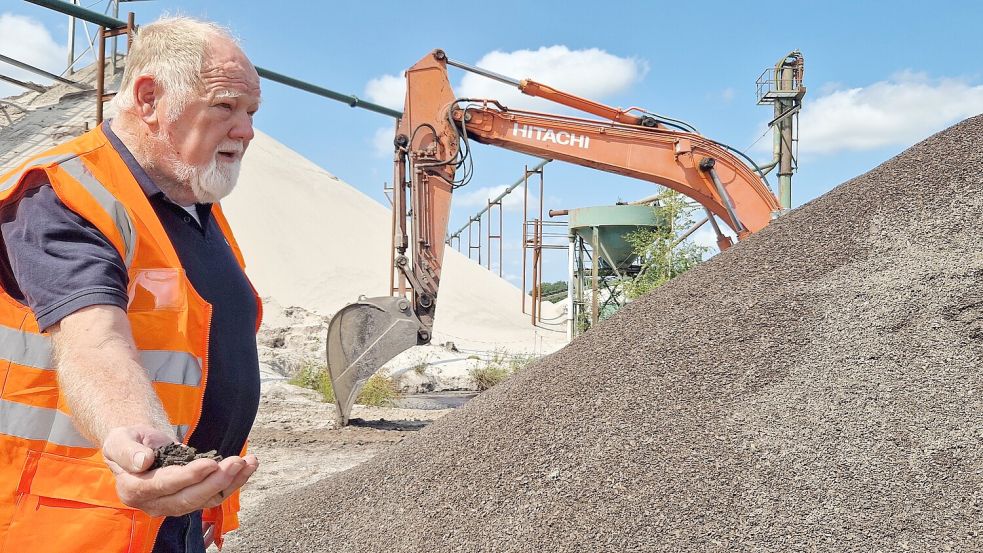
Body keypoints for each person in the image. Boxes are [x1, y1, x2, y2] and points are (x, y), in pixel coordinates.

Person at [0, 16, 263, 553]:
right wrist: (139, 436)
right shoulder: (60, 194)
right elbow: (92, 336)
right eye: (225, 106)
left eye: (251, 113)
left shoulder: (195, 208)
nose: (247, 131)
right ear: (149, 98)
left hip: (172, 512)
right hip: (73, 522)